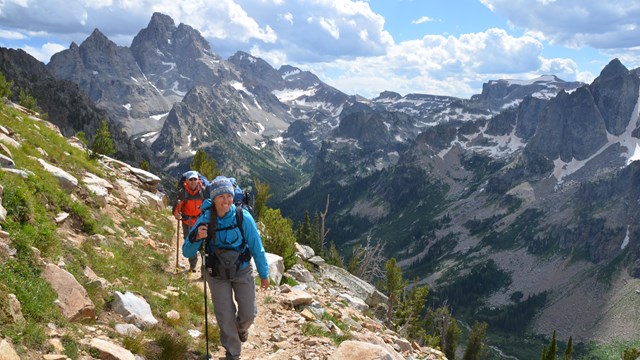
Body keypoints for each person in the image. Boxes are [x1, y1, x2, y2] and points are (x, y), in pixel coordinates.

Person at [183, 176, 269, 360]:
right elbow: (186, 251)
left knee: (248, 314)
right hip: (217, 274)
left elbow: (257, 247)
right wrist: (196, 237)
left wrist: (264, 274)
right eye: (221, 196)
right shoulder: (205, 220)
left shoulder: (243, 217)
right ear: (213, 199)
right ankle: (233, 352)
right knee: (225, 314)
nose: (226, 200)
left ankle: (240, 330)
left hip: (242, 269)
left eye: (228, 196)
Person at [173, 170, 206, 272]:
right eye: (190, 179)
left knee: (203, 245)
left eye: (195, 179)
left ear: (198, 180)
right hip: (188, 222)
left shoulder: (203, 191)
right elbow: (177, 207)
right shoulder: (183, 192)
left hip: (201, 221)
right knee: (191, 243)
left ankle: (204, 268)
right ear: (186, 181)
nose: (193, 182)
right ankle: (193, 266)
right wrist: (177, 214)